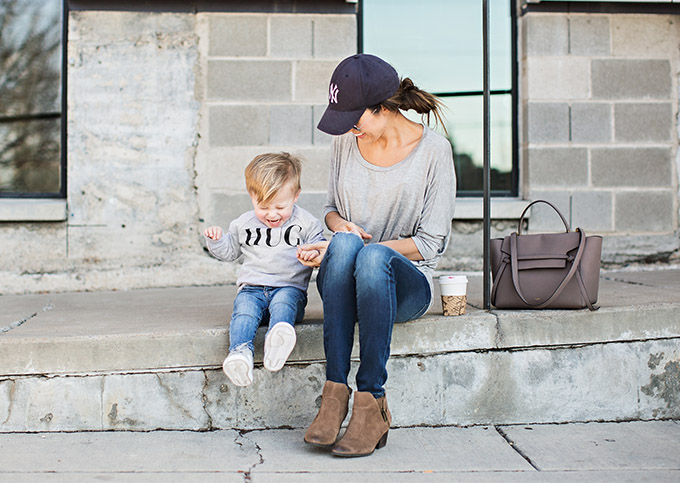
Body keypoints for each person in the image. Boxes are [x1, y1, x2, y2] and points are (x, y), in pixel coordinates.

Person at [297, 54, 456, 457]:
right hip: (349, 279)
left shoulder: (434, 151)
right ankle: (334, 393)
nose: (350, 128)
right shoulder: (346, 142)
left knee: (369, 257)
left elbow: (431, 242)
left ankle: (371, 403)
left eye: (356, 117)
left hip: (406, 285)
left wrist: (371, 248)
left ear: (384, 107)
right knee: (350, 246)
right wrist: (338, 231)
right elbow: (331, 209)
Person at [204, 152, 325, 387]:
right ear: (251, 196)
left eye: (280, 206)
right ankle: (240, 354)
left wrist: (312, 254)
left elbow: (320, 249)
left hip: (289, 289)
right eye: (263, 206)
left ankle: (277, 340)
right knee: (243, 311)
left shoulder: (308, 223)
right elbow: (229, 252)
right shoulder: (243, 224)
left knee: (283, 304)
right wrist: (217, 241)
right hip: (252, 289)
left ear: (296, 195)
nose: (272, 214)